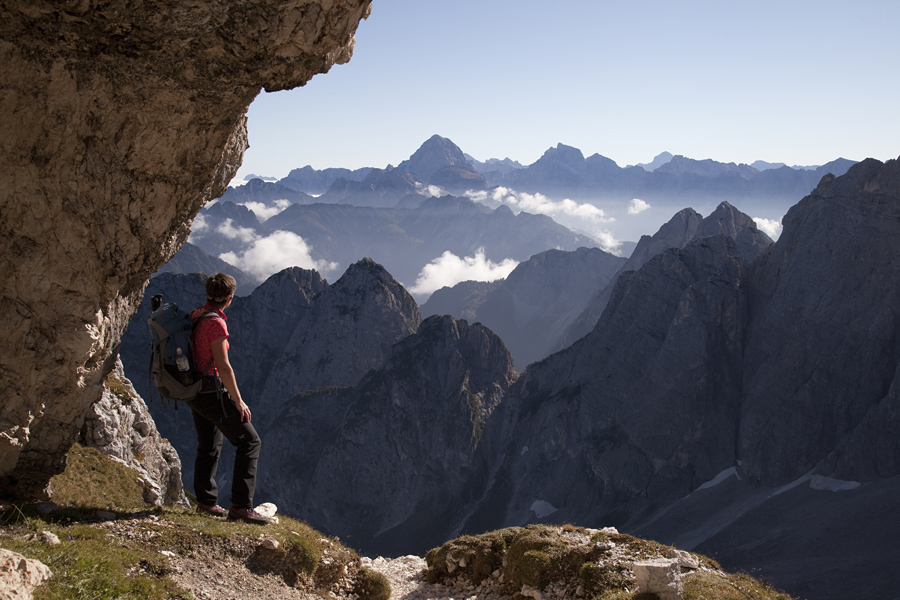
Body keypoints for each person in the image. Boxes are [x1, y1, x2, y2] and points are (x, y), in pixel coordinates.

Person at [189, 273, 268, 525]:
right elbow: (223, 366)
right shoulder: (216, 324)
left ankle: (206, 502)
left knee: (209, 444)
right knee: (250, 442)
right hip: (212, 393)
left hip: (194, 391)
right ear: (230, 298)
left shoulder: (197, 314)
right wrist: (238, 401)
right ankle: (241, 507)